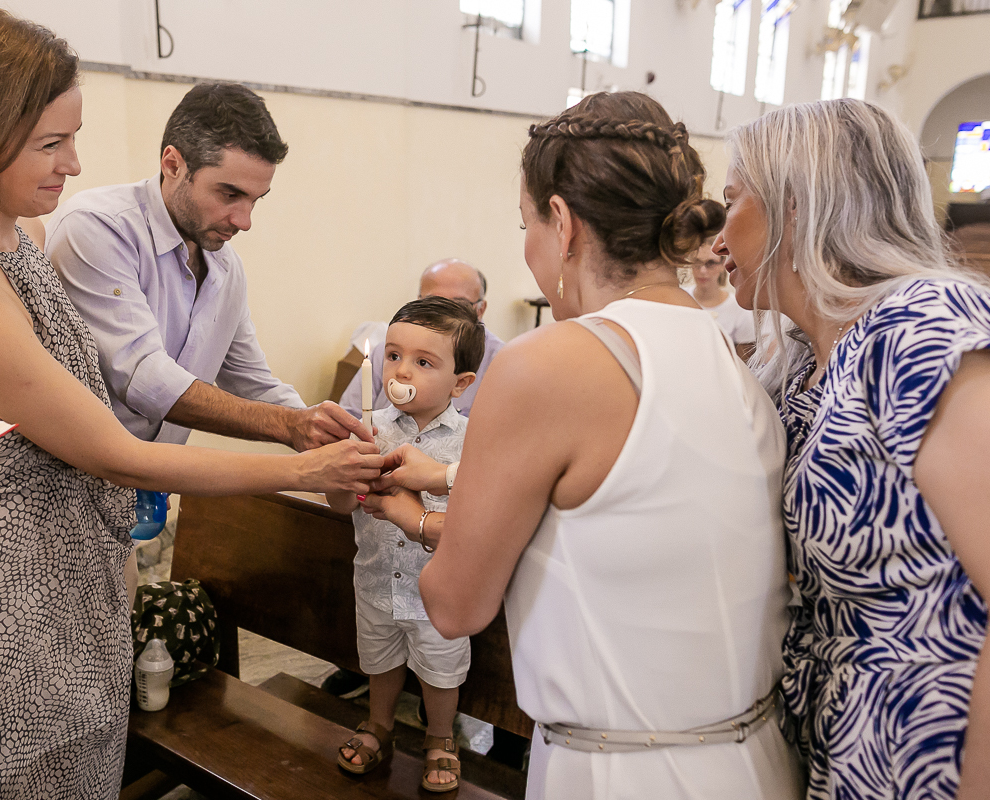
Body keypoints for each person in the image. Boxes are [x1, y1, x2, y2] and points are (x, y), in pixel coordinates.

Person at [0, 7, 380, 799]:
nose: (74, 164)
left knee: (82, 764)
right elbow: (110, 443)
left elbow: (228, 379)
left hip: (67, 567)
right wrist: (306, 465)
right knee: (23, 779)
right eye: (50, 142)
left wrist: (305, 426)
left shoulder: (11, 239)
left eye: (74, 136)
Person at [390, 92, 804, 798]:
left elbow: (456, 606)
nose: (527, 246)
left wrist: (408, 516)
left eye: (525, 223)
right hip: (755, 758)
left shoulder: (544, 362)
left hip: (626, 772)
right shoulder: (735, 357)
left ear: (562, 221)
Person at [714, 98, 990, 799]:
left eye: (731, 202)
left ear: (796, 207)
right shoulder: (803, 365)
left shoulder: (918, 326)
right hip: (841, 750)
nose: (717, 238)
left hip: (937, 754)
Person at [46, 83, 365, 451]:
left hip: (151, 487)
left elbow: (251, 382)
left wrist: (328, 433)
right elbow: (142, 377)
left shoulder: (226, 268)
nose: (244, 221)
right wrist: (288, 424)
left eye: (255, 200)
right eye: (229, 195)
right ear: (173, 164)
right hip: (69, 485)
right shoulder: (97, 227)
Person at [327, 297, 484, 793]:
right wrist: (338, 468)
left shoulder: (472, 445)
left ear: (461, 383)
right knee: (380, 662)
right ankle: (380, 724)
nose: (401, 370)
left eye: (423, 361)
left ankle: (440, 737)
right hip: (374, 583)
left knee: (440, 673)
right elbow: (339, 506)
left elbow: (478, 519)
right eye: (393, 355)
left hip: (438, 595)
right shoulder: (368, 430)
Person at [340, 259, 505, 419]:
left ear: (480, 309)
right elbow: (347, 417)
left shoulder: (504, 363)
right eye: (432, 302)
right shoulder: (384, 351)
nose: (442, 315)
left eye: (458, 305)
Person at [685, 240, 756, 358]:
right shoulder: (681, 298)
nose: (702, 271)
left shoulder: (739, 308)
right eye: (697, 262)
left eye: (710, 263)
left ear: (722, 265)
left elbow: (744, 364)